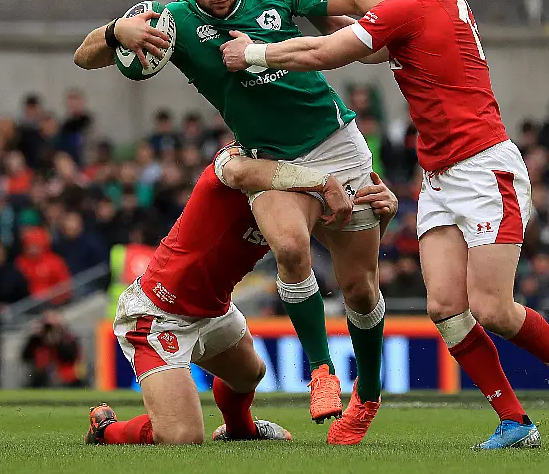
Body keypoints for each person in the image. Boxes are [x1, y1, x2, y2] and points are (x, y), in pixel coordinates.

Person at [221, 0, 549, 450]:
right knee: (446, 309)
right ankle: (515, 422)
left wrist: (256, 52)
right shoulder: (434, 4)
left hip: (482, 166)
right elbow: (371, 50)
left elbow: (327, 57)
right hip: (439, 175)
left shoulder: (418, 2)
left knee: (493, 307)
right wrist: (323, 22)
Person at [75, 0, 392, 443]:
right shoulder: (174, 25)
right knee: (290, 246)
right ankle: (322, 374)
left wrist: (402, 11)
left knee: (359, 287)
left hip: (337, 141)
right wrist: (116, 33)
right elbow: (84, 56)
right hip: (269, 160)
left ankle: (359, 398)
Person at [85, 146, 398, 446]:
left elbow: (349, 259)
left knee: (251, 373)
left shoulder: (298, 195)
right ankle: (106, 430)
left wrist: (377, 218)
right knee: (181, 436)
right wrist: (327, 182)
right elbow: (233, 171)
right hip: (159, 311)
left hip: (213, 309)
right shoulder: (237, 159)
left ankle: (239, 430)